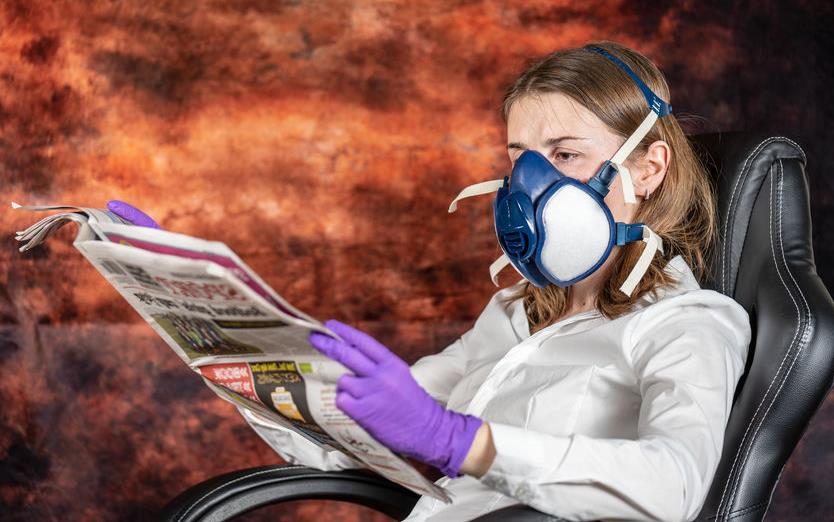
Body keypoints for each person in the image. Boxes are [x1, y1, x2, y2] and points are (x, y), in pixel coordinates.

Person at [108, 40, 750, 522]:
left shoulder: (689, 321)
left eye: (565, 154)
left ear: (648, 168)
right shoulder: (513, 315)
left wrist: (460, 442)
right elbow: (338, 444)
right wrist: (206, 324)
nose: (531, 186)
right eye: (520, 159)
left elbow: (676, 486)